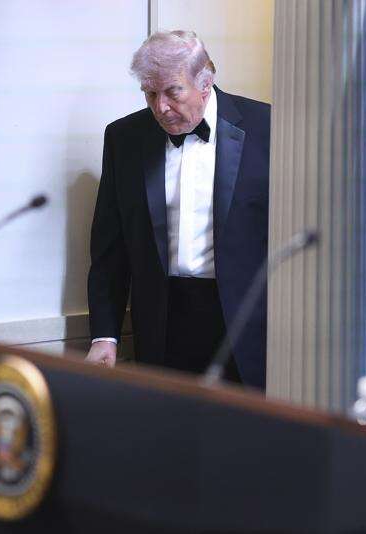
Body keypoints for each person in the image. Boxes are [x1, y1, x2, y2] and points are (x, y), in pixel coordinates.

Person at [85, 30, 270, 389]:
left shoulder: (268, 127)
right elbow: (110, 250)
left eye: (173, 92)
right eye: (150, 94)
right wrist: (104, 336)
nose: (160, 108)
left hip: (249, 326)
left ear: (205, 82)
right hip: (163, 325)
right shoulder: (124, 138)